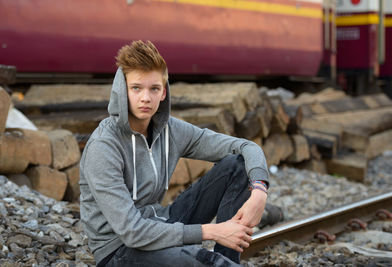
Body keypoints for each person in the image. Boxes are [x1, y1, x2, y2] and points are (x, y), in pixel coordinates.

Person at [80, 40, 272, 267]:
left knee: (236, 165)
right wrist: (213, 231)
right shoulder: (104, 146)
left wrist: (259, 190)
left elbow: (246, 147)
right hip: (119, 250)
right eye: (136, 88)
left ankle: (228, 259)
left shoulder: (171, 131)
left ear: (163, 93)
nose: (145, 98)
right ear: (122, 91)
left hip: (161, 222)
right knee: (202, 261)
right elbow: (132, 232)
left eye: (154, 89)